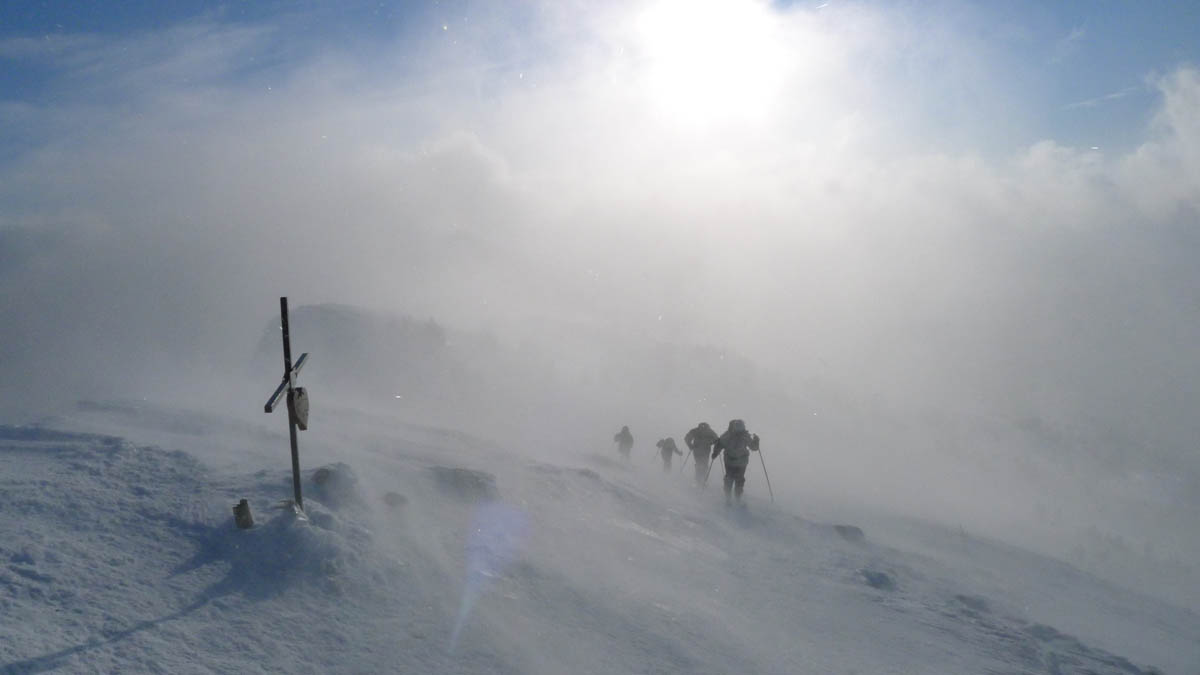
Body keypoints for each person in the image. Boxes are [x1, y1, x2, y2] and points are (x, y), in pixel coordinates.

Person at [711, 419, 759, 506]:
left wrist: (715, 453)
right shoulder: (745, 436)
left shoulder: (728, 434)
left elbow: (719, 444)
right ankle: (736, 498)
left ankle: (729, 498)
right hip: (741, 461)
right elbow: (754, 447)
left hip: (731, 460)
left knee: (730, 478)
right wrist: (756, 440)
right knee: (738, 479)